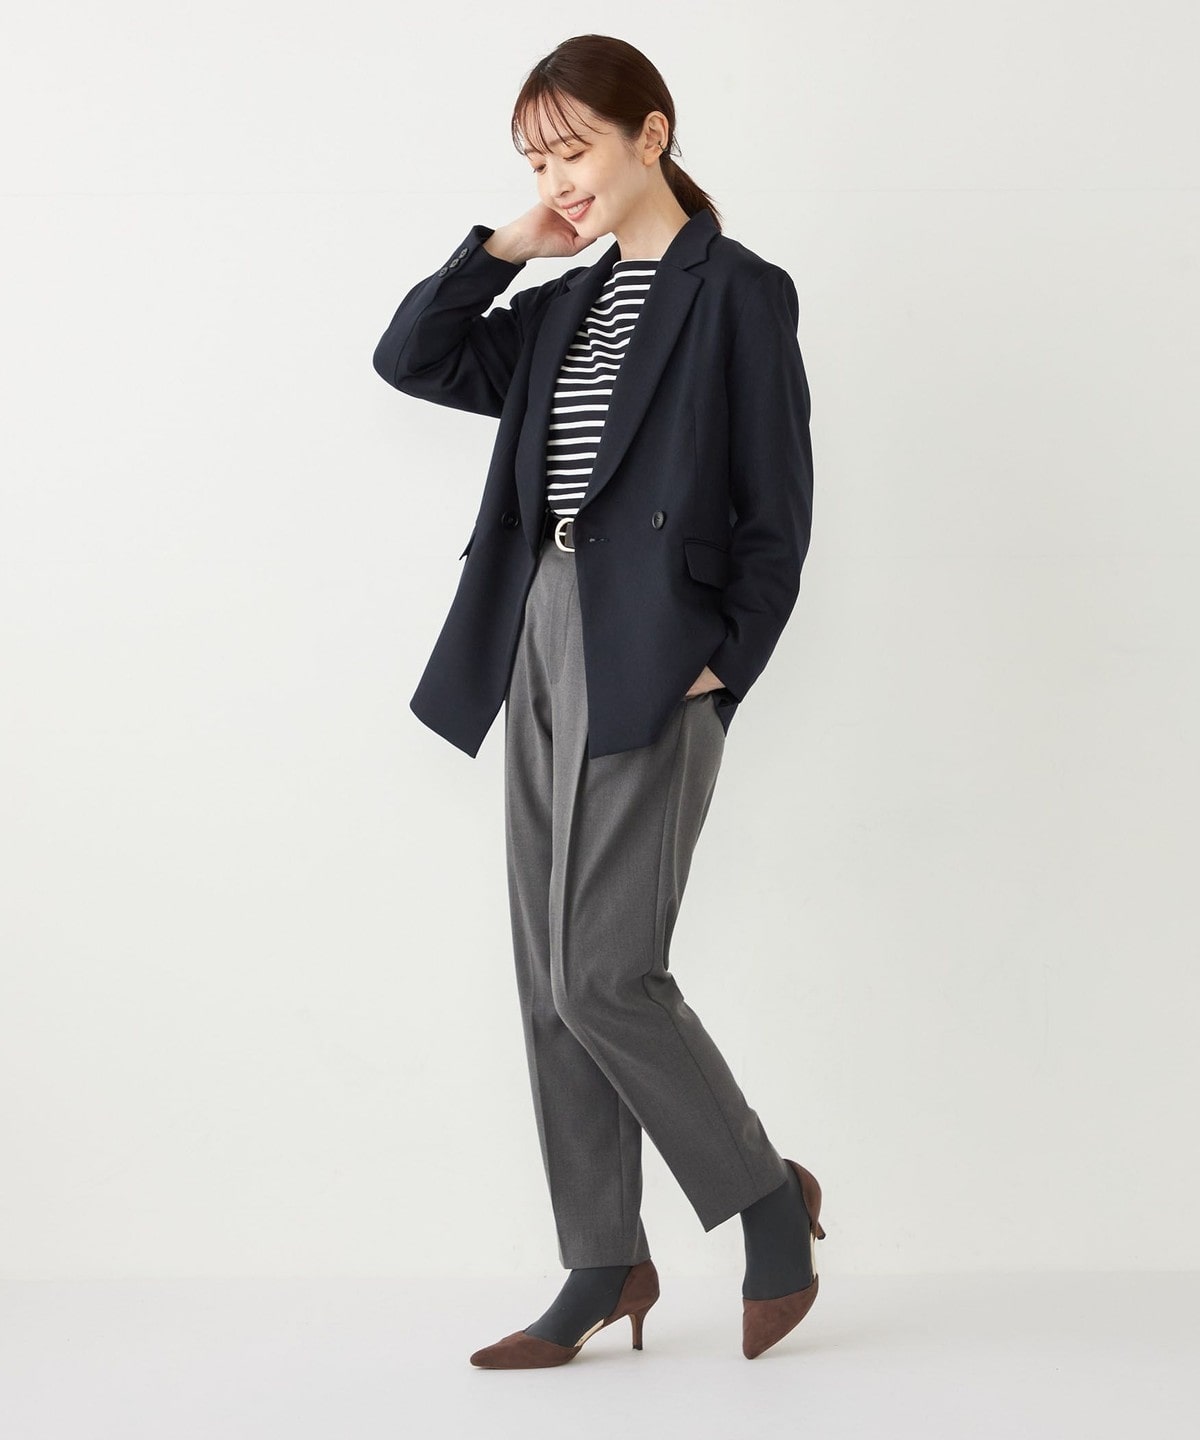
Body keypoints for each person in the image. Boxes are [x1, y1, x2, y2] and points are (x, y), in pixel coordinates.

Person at [372, 33, 823, 1365]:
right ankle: (602, 1258)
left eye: (571, 151)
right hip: (533, 629)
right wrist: (511, 244)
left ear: (651, 134)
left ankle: (766, 1199)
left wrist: (725, 659)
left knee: (603, 974)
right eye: (534, 160)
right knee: (546, 977)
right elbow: (412, 357)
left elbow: (779, 507)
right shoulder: (560, 307)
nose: (556, 179)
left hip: (654, 649)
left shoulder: (738, 293)